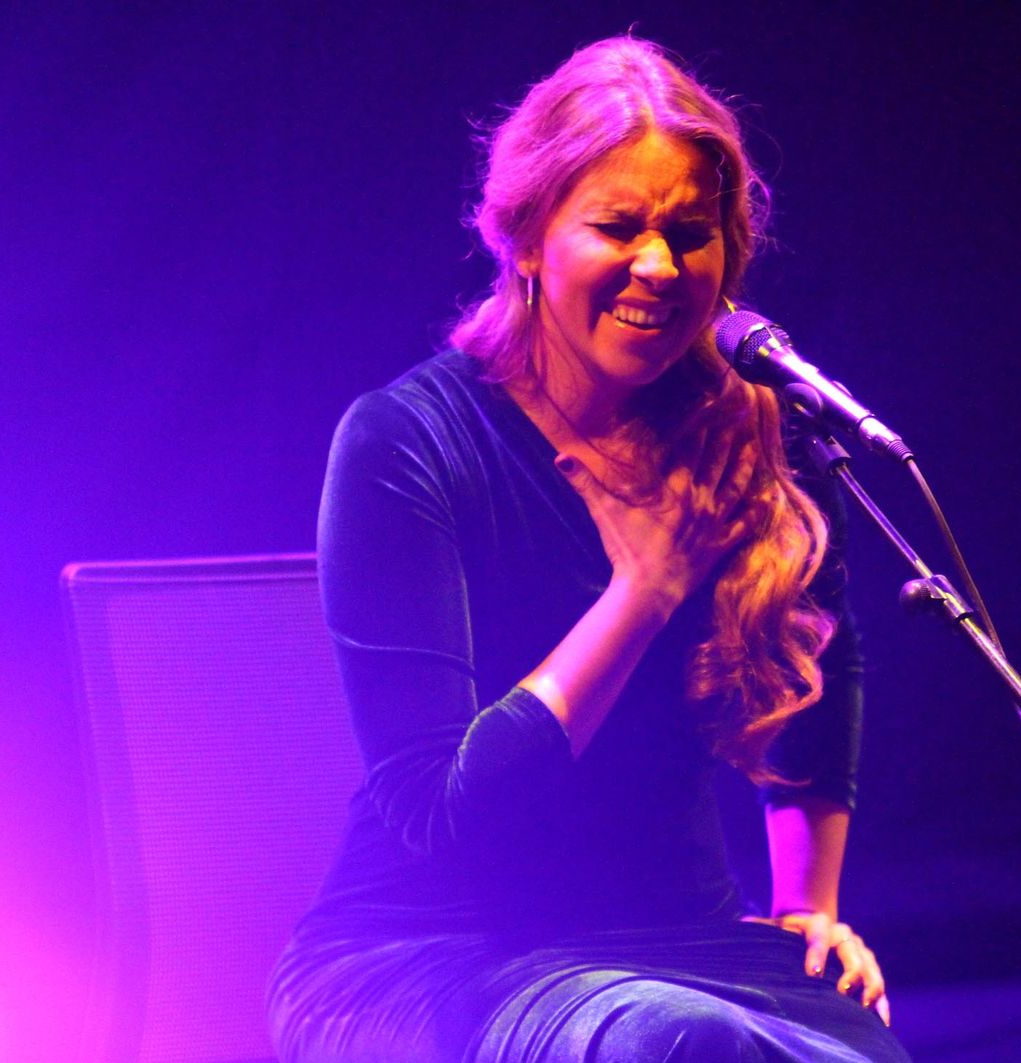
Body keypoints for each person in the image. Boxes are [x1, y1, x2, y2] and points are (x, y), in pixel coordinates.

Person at [267, 36, 909, 1062]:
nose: (658, 265)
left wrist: (808, 905)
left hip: (679, 938)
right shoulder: (407, 440)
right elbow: (444, 812)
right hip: (435, 951)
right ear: (526, 239)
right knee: (680, 1042)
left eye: (690, 233)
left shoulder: (755, 430)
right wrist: (642, 588)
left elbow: (826, 662)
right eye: (618, 227)